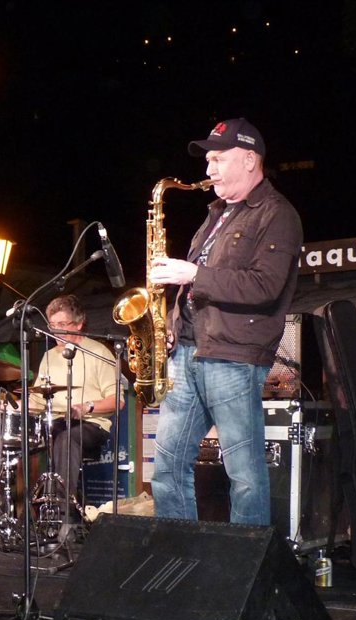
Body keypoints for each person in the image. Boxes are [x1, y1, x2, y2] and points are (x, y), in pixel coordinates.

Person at [148, 118, 303, 525]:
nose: (208, 169)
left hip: (233, 356)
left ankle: (246, 558)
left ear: (250, 160)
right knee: (166, 468)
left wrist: (193, 274)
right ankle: (178, 551)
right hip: (188, 351)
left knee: (244, 474)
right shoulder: (216, 214)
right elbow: (195, 285)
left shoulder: (277, 214)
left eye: (218, 159)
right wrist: (170, 324)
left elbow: (265, 286)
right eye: (208, 160)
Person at [26, 294, 123, 503]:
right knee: (8, 436)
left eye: (62, 324)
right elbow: (36, 401)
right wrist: (10, 408)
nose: (55, 331)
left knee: (66, 437)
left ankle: (63, 510)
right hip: (56, 423)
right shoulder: (49, 356)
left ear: (79, 324)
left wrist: (86, 407)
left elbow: (117, 401)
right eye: (52, 325)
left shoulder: (99, 353)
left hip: (91, 425)